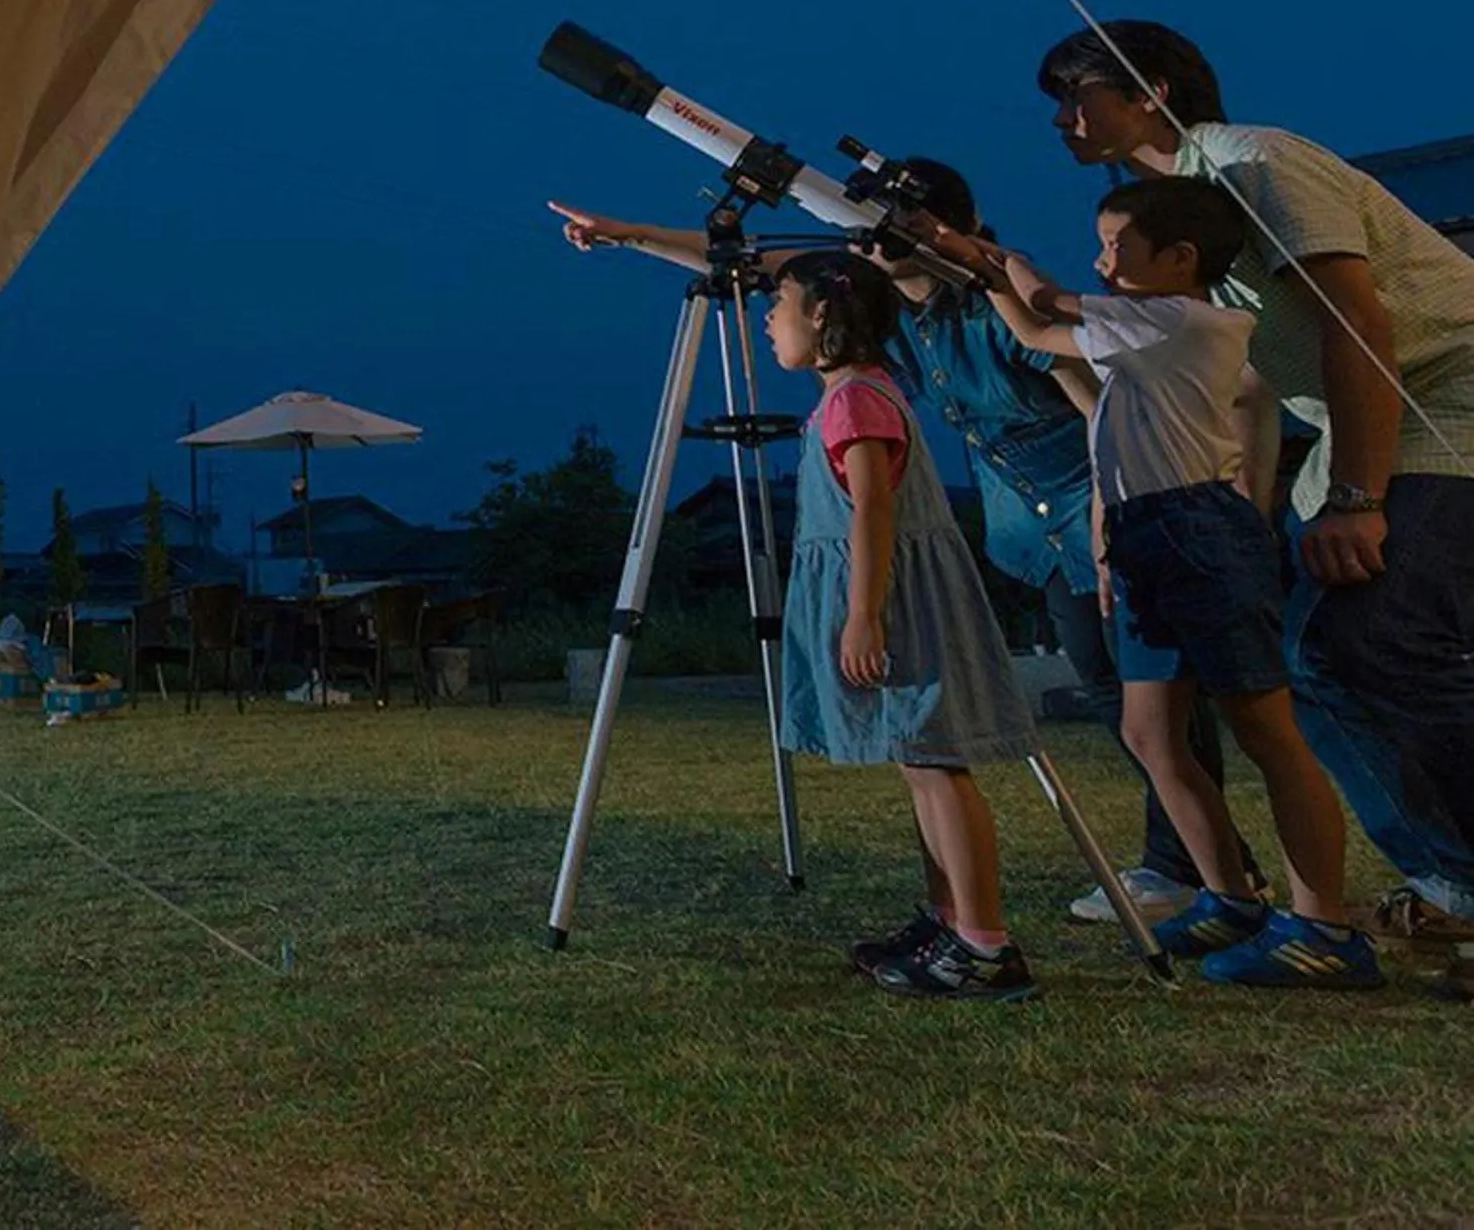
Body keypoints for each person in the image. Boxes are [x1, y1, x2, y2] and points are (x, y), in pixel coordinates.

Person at [551, 172, 1258, 924]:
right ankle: (1194, 868)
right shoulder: (885, 312)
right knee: (1114, 694)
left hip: (1091, 506)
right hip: (1027, 523)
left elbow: (1098, 411)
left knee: (1158, 707)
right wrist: (631, 234)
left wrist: (1107, 515)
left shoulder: (990, 312)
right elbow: (757, 262)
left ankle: (1198, 872)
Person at [1037, 21, 1474, 943]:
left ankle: (1460, 878)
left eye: (1077, 94)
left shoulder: (1257, 163)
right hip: (1357, 422)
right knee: (1309, 659)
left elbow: (1355, 324)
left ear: (1150, 91)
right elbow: (1248, 386)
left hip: (1447, 391)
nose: (1062, 118)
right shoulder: (1188, 213)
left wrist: (1356, 501)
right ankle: (1447, 880)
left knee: (1374, 636)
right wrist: (1254, 502)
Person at [936, 179, 1379, 987]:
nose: (1103, 262)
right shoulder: (1143, 326)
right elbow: (1032, 328)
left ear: (1180, 258)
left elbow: (1041, 305)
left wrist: (991, 257)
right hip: (1146, 530)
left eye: (1118, 247)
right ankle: (1230, 896)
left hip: (1198, 529)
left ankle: (1325, 926)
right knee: (1149, 733)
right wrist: (984, 274)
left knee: (1266, 730)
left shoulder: (1179, 320)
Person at [763, 252, 1043, 1000]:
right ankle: (949, 919)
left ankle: (985, 944)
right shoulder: (850, 395)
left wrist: (863, 614)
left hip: (897, 600)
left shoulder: (858, 399)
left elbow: (873, 509)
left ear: (822, 312)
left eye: (779, 304)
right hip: (889, 595)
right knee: (920, 761)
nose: (768, 321)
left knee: (936, 759)